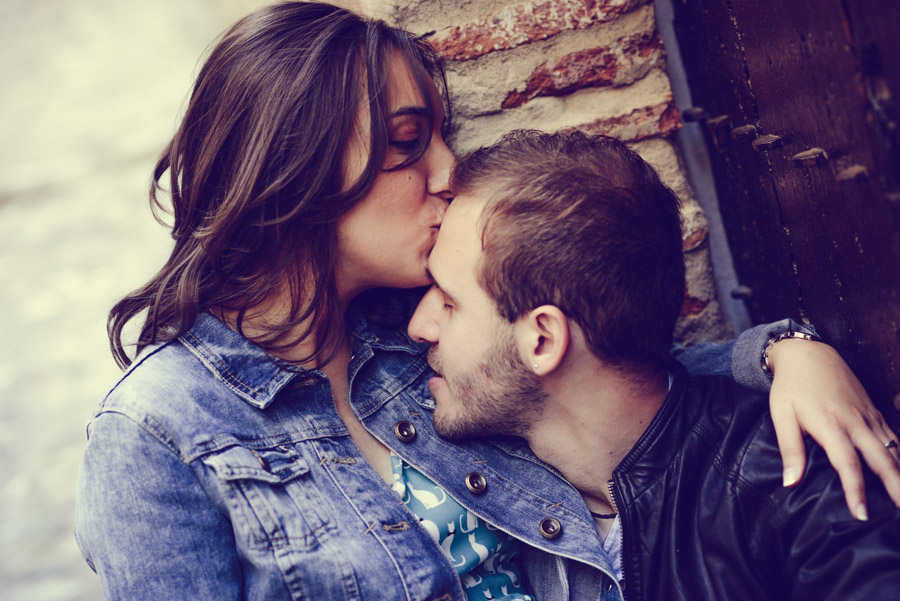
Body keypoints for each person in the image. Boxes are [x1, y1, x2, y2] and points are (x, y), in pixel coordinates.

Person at [74, 3, 900, 600]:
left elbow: (616, 372)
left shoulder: (407, 342)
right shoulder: (156, 435)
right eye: (407, 142)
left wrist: (790, 349)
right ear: (293, 166)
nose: (446, 170)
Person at [408, 128, 900, 600]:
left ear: (542, 340)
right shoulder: (498, 498)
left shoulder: (789, 479)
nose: (418, 326)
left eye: (448, 302)